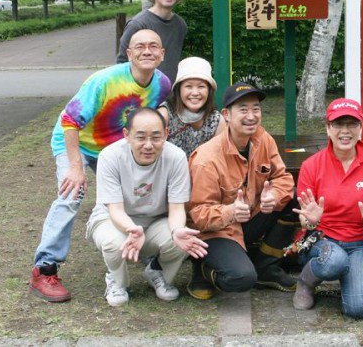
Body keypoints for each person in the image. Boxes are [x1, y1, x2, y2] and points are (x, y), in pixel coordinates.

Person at [29, 29, 171, 302]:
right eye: (139, 46)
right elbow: (70, 121)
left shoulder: (161, 83)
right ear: (128, 54)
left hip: (114, 145)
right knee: (72, 194)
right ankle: (45, 269)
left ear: (162, 54)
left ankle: (144, 247)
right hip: (76, 142)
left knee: (138, 188)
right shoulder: (105, 81)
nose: (147, 51)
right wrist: (75, 167)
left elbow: (156, 109)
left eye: (154, 46)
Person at [86, 108, 209, 306]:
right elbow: (115, 209)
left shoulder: (176, 157)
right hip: (114, 219)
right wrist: (131, 229)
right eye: (141, 137)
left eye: (156, 137)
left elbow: (177, 209)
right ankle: (117, 281)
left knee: (182, 238)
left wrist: (178, 229)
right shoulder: (110, 156)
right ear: (127, 135)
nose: (148, 145)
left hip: (155, 220)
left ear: (166, 134)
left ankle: (157, 272)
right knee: (112, 242)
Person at [186, 82, 297, 300]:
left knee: (296, 201)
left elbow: (282, 178)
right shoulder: (207, 159)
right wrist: (230, 212)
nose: (251, 115)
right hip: (216, 232)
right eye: (243, 109)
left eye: (256, 109)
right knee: (241, 278)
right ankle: (201, 267)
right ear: (226, 114)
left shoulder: (263, 139)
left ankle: (266, 267)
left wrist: (273, 196)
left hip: (249, 219)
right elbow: (198, 215)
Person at [292, 98, 363, 319]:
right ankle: (305, 282)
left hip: (359, 242)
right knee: (335, 260)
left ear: (360, 128)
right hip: (321, 238)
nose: (345, 131)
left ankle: (350, 279)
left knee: (361, 310)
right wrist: (312, 221)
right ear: (328, 128)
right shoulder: (311, 165)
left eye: (352, 124)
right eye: (338, 124)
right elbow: (305, 222)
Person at [117, 0, 188, 83]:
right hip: (143, 94)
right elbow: (122, 63)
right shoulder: (138, 24)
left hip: (170, 94)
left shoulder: (180, 25)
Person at [158, 57, 225, 157]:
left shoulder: (216, 120)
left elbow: (219, 158)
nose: (195, 93)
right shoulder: (165, 115)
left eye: (201, 86)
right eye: (188, 86)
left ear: (209, 90)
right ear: (179, 89)